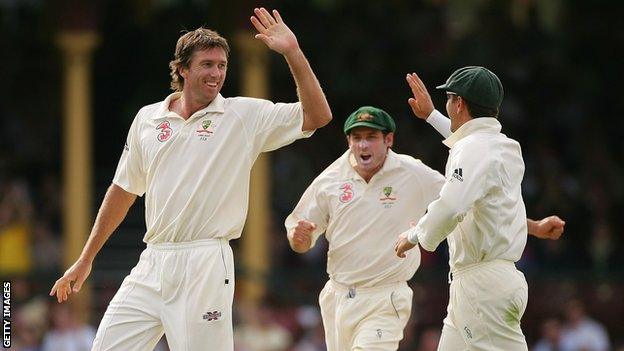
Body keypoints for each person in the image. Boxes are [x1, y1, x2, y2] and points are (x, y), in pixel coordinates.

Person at [49, 7, 332, 351]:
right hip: (153, 260)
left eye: (222, 66)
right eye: (207, 65)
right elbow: (123, 191)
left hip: (206, 264)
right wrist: (86, 258)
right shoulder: (148, 119)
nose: (216, 74)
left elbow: (318, 115)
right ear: (182, 69)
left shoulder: (242, 115)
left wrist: (293, 51)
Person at [287, 105, 563, 351]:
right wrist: (300, 239)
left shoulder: (413, 173)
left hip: (385, 297)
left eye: (371, 137)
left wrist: (533, 227)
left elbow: (464, 203)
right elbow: (301, 234)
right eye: (356, 138)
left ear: (388, 140)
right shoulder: (330, 179)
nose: (363, 146)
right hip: (337, 296)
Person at [395, 66, 564, 350]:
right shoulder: (504, 146)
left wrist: (413, 237)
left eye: (448, 99)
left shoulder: (474, 149)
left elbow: (451, 206)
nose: (447, 106)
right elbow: (490, 204)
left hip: (482, 288)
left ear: (458, 103)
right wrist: (431, 116)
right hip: (485, 284)